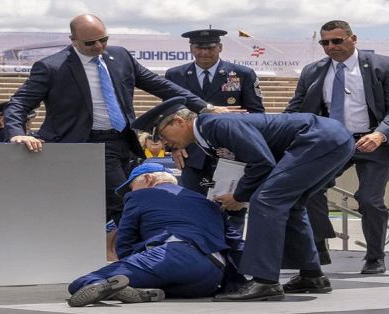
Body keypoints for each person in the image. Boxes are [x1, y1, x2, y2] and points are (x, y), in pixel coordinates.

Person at [3, 14, 229, 226]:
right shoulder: (51, 67)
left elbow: (160, 85)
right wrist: (16, 132)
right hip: (86, 144)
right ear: (73, 40)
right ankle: (143, 254)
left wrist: (205, 107)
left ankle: (108, 251)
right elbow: (19, 102)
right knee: (125, 202)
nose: (99, 46)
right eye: (90, 43)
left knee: (105, 205)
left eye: (104, 39)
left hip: (124, 141)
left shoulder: (120, 56)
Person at [133, 96, 354, 301]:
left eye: (162, 135)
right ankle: (312, 275)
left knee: (266, 200)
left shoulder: (215, 125)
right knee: (291, 204)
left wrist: (240, 196)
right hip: (329, 138)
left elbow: (262, 162)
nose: (164, 143)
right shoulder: (207, 134)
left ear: (179, 122)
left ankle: (264, 281)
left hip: (319, 139)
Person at [285, 20, 389, 273]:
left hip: (373, 142)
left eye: (337, 41)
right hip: (332, 143)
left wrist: (380, 134)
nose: (331, 47)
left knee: (369, 200)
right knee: (308, 188)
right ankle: (319, 248)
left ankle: (374, 257)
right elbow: (296, 109)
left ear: (353, 39)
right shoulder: (312, 72)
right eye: (325, 42)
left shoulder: (382, 66)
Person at [67, 163, 228, 307]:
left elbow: (125, 241)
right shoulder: (206, 201)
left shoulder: (139, 196)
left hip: (171, 256)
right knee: (163, 285)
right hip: (213, 273)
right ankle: (140, 291)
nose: (130, 192)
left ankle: (111, 286)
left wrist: (129, 264)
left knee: (80, 284)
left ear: (148, 178)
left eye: (131, 187)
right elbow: (233, 241)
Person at [165, 29, 265, 193]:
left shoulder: (242, 74)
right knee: (193, 207)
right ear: (191, 48)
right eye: (199, 47)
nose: (204, 52)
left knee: (230, 208)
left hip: (231, 153)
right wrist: (174, 147)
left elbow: (256, 114)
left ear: (220, 47)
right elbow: (168, 116)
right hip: (191, 156)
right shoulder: (175, 75)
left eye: (210, 48)